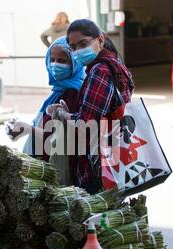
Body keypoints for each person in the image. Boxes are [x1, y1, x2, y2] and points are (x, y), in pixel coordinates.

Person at [47, 19, 135, 194]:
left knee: (95, 219)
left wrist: (63, 114)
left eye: (83, 44)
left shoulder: (99, 71)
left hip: (97, 167)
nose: (78, 51)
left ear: (100, 40)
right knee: (107, 218)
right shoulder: (116, 64)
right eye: (73, 47)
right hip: (116, 159)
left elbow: (86, 125)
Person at [7, 36, 84, 163]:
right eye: (52, 60)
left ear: (74, 64)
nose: (55, 64)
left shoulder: (74, 93)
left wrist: (27, 129)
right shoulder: (58, 90)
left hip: (55, 166)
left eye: (62, 60)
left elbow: (60, 138)